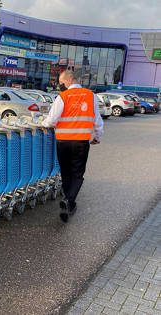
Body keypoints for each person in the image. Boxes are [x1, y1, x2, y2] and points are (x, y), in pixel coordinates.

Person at [41, 70, 104, 223]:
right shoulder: (90, 96)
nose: (60, 86)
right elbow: (97, 119)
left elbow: (52, 119)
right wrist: (97, 136)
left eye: (62, 83)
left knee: (66, 173)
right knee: (77, 174)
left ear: (69, 80)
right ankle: (68, 201)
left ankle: (69, 203)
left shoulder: (62, 97)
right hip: (80, 143)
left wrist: (44, 124)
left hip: (62, 142)